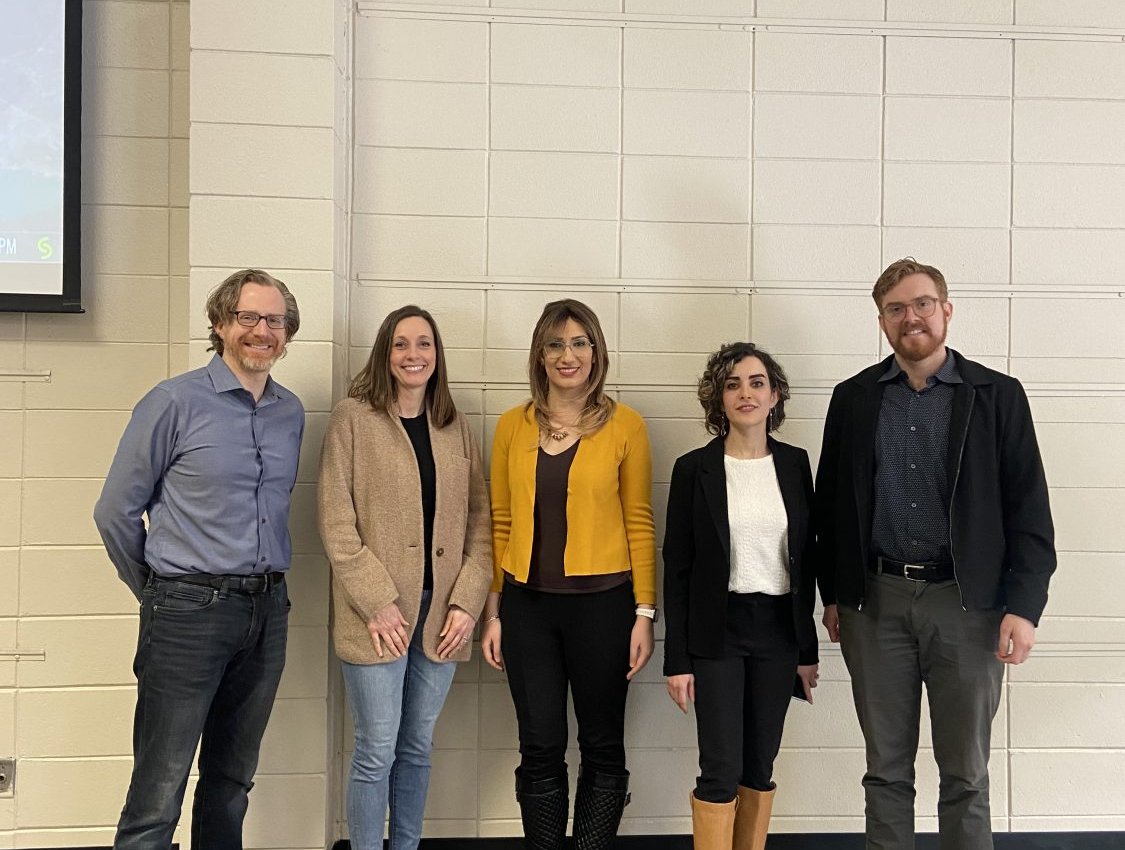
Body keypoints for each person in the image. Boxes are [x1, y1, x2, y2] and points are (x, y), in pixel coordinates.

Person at [816, 258, 1056, 850]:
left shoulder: (997, 396)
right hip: (876, 604)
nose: (911, 317)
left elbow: (1030, 510)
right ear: (882, 321)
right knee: (885, 772)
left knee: (967, 775)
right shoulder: (853, 399)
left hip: (969, 606)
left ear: (946, 310)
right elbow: (830, 507)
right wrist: (835, 594)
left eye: (922, 303)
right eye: (895, 308)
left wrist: (1024, 607)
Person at [93, 269, 304, 849]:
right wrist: (158, 591)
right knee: (159, 789)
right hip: (187, 611)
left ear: (287, 333)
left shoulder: (289, 412)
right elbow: (114, 511)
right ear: (219, 323)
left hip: (268, 610)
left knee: (232, 781)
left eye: (275, 320)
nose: (262, 330)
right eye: (248, 317)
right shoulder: (173, 402)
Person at [480, 299, 657, 850]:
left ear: (596, 353)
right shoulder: (512, 426)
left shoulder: (626, 425)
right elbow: (500, 521)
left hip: (604, 606)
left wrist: (645, 613)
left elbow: (640, 521)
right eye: (555, 344)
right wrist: (493, 611)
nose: (568, 355)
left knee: (602, 744)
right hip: (527, 607)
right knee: (539, 745)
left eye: (580, 343)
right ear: (540, 354)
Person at [317, 305, 492, 850]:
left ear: (437, 355)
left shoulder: (454, 426)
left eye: (424, 344)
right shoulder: (352, 419)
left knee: (417, 748)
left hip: (443, 615)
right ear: (384, 353)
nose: (413, 355)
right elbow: (336, 522)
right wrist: (377, 601)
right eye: (401, 344)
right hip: (377, 616)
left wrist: (468, 602)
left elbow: (480, 522)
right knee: (376, 750)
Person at [663, 343, 819, 850]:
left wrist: (807, 651)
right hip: (718, 632)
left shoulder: (795, 465)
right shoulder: (694, 469)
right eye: (732, 384)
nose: (745, 393)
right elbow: (678, 569)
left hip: (778, 631)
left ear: (775, 396)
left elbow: (806, 561)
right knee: (720, 767)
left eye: (756, 383)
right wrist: (676, 660)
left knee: (759, 766)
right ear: (719, 398)